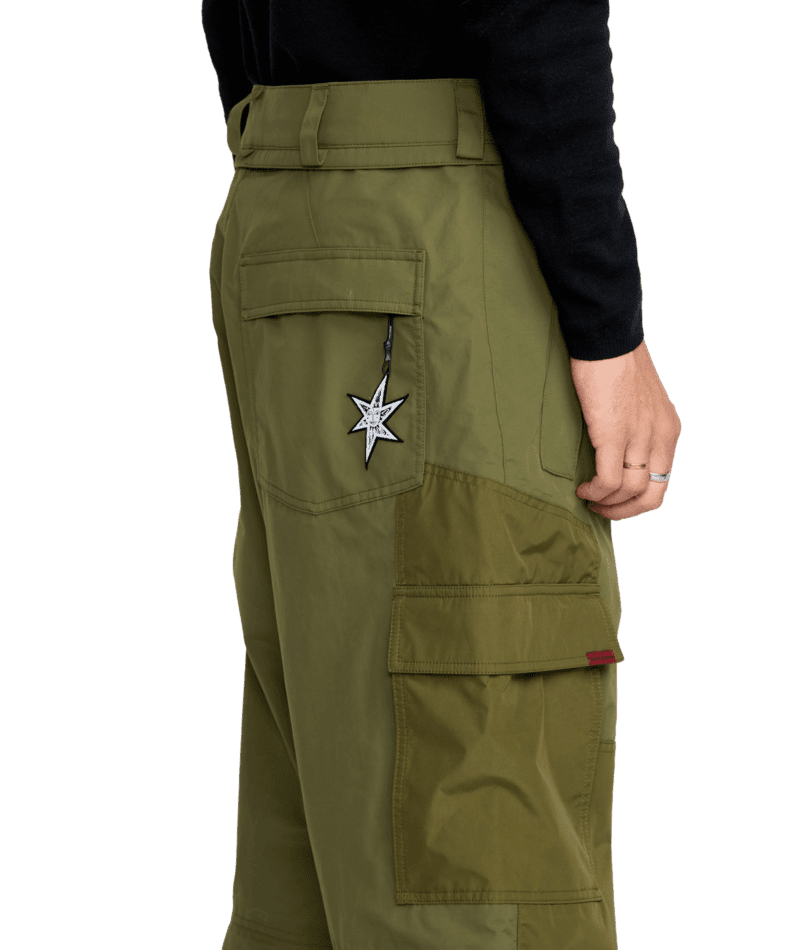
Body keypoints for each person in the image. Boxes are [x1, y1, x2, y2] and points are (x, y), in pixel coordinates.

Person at [201, 3, 682, 949]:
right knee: (471, 844)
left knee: (325, 842)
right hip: (432, 229)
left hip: (280, 200)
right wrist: (606, 325)